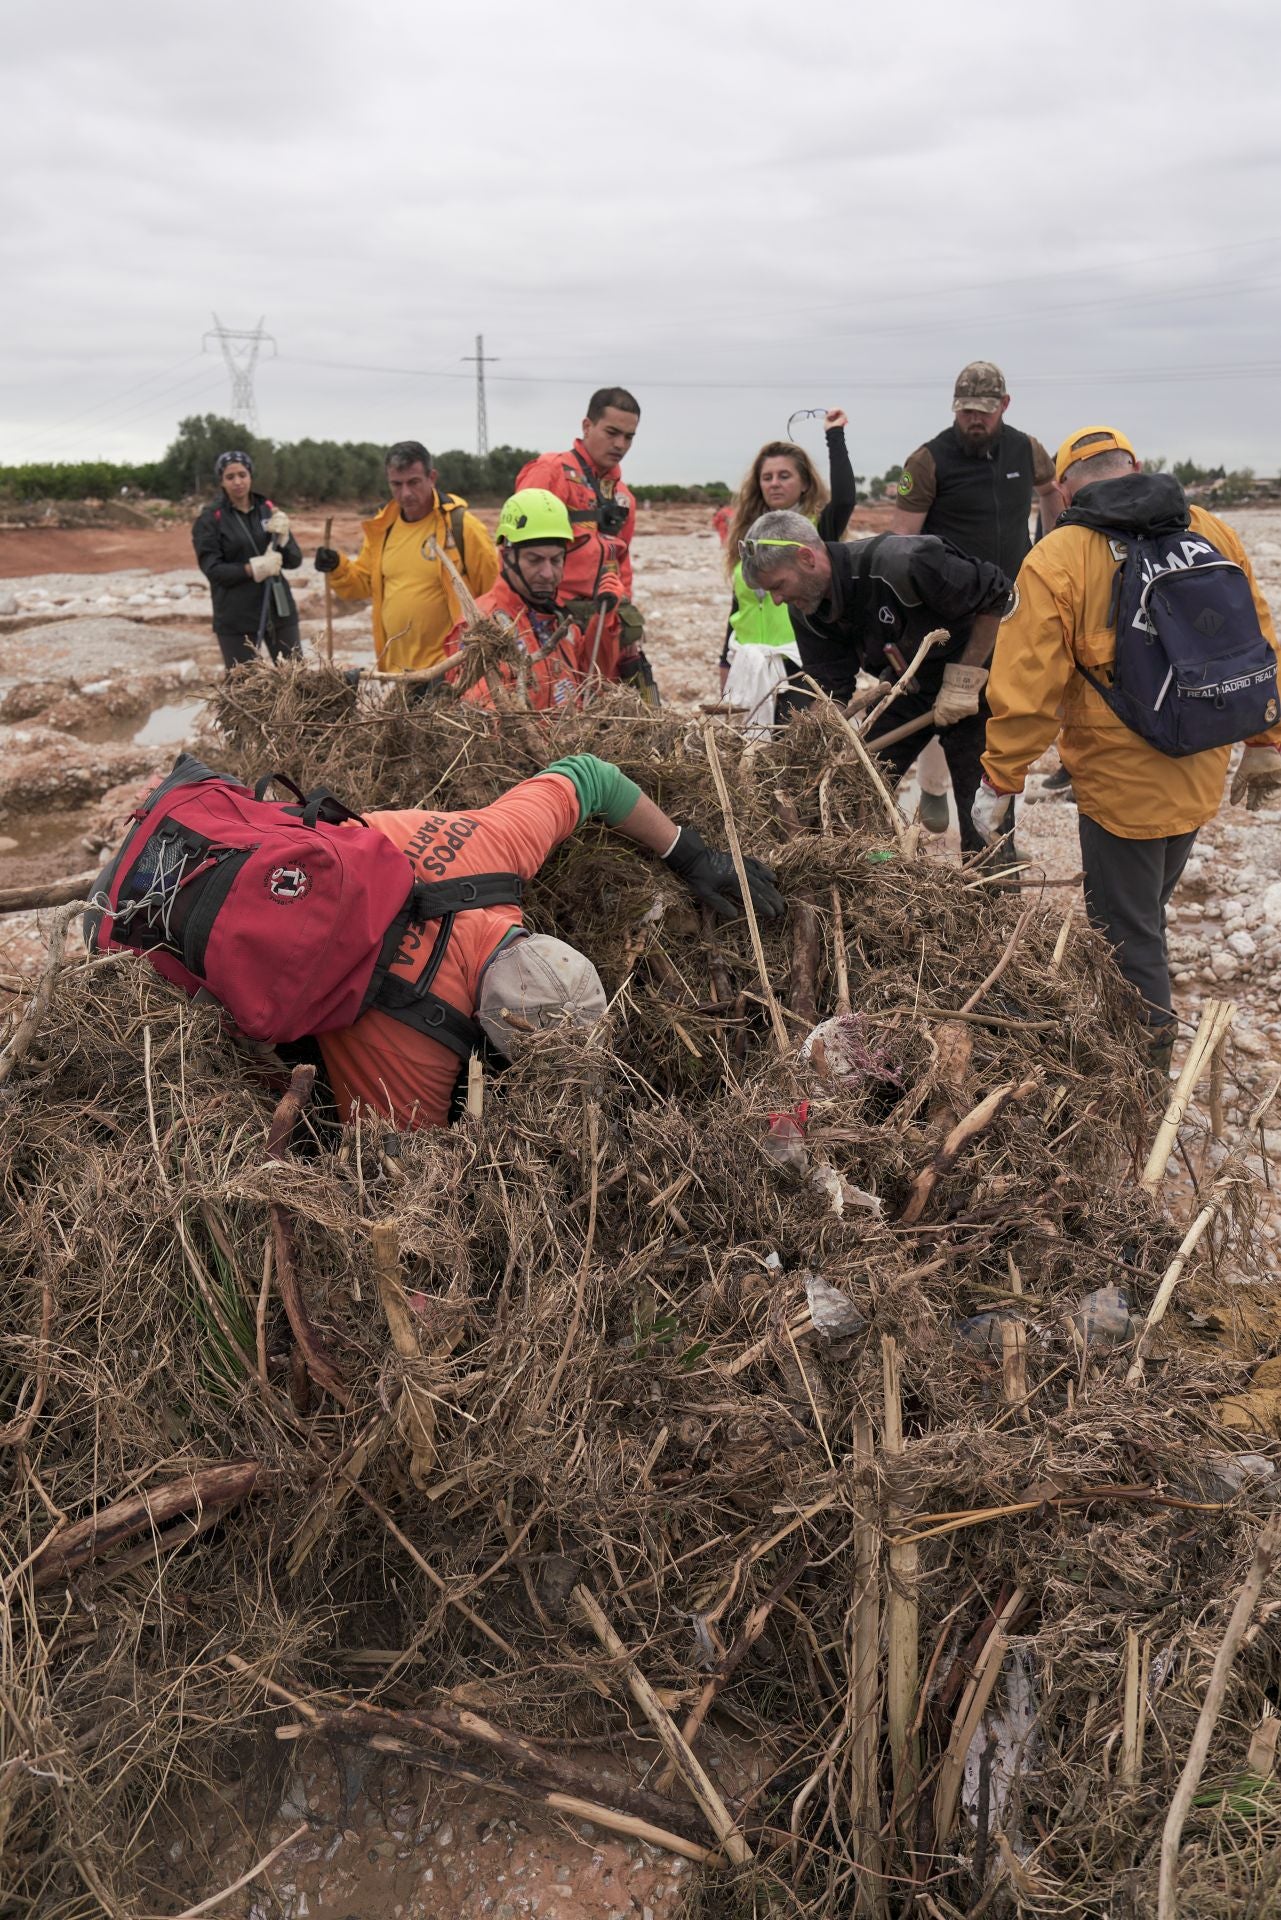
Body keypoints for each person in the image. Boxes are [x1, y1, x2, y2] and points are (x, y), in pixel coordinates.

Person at [975, 426, 1281, 1073]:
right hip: (1200, 757)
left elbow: (1028, 688)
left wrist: (999, 779)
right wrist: (1264, 738)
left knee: (1127, 937)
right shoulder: (1207, 528)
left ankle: (1139, 1080)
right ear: (1134, 465)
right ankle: (1133, 1044)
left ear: (1063, 489)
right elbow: (1252, 634)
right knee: (1143, 912)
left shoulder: (1059, 555)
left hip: (1120, 783)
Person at [314, 754, 785, 1130]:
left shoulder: (493, 847)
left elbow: (592, 776)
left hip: (277, 839)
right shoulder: (410, 1053)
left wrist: (689, 853)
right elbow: (397, 1179)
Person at [738, 512, 1010, 854]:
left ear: (806, 558)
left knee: (983, 817)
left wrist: (966, 677)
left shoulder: (905, 563)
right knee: (853, 784)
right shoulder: (808, 611)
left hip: (974, 685)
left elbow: (997, 594)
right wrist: (818, 745)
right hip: (905, 688)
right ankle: (872, 876)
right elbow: (829, 686)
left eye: (778, 585)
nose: (776, 599)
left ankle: (992, 893)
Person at [891, 362, 1062, 832]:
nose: (974, 420)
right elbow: (902, 541)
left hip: (1015, 611)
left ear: (1004, 405)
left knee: (999, 719)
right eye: (965, 410)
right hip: (953, 613)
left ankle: (990, 834)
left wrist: (1051, 541)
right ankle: (931, 790)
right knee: (941, 709)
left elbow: (1050, 491)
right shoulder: (928, 461)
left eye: (984, 411)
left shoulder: (1027, 449)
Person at [719, 412, 855, 729]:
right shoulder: (748, 537)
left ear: (805, 483)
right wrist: (724, 663)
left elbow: (846, 499)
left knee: (791, 757)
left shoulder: (816, 534)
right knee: (748, 754)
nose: (775, 483)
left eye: (784, 475)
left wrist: (835, 436)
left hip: (800, 664)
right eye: (767, 477)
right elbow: (739, 604)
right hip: (749, 665)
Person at [314, 440, 498, 674]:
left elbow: (494, 595)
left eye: (413, 482)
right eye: (396, 485)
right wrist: (337, 567)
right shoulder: (383, 528)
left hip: (452, 669)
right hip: (400, 673)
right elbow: (362, 585)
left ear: (432, 477)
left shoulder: (462, 527)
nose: (405, 493)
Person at [517, 388, 650, 691]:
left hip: (604, 624)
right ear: (587, 426)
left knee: (605, 712)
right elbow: (515, 551)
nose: (620, 444)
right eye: (612, 432)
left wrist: (624, 626)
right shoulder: (551, 473)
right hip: (554, 623)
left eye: (629, 437)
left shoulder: (623, 497)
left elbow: (622, 564)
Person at [443, 489, 591, 711]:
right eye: (535, 560)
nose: (548, 573)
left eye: (556, 560)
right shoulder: (481, 627)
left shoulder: (560, 622)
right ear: (506, 556)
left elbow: (594, 684)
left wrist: (609, 623)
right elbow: (480, 718)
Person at [192, 451, 303, 672]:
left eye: (242, 474)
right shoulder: (210, 519)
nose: (237, 482)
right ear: (222, 481)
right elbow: (213, 570)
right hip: (236, 618)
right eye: (230, 477)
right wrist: (253, 569)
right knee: (244, 690)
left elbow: (294, 560)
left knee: (296, 680)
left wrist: (285, 538)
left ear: (250, 475)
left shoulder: (268, 509)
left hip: (278, 611)